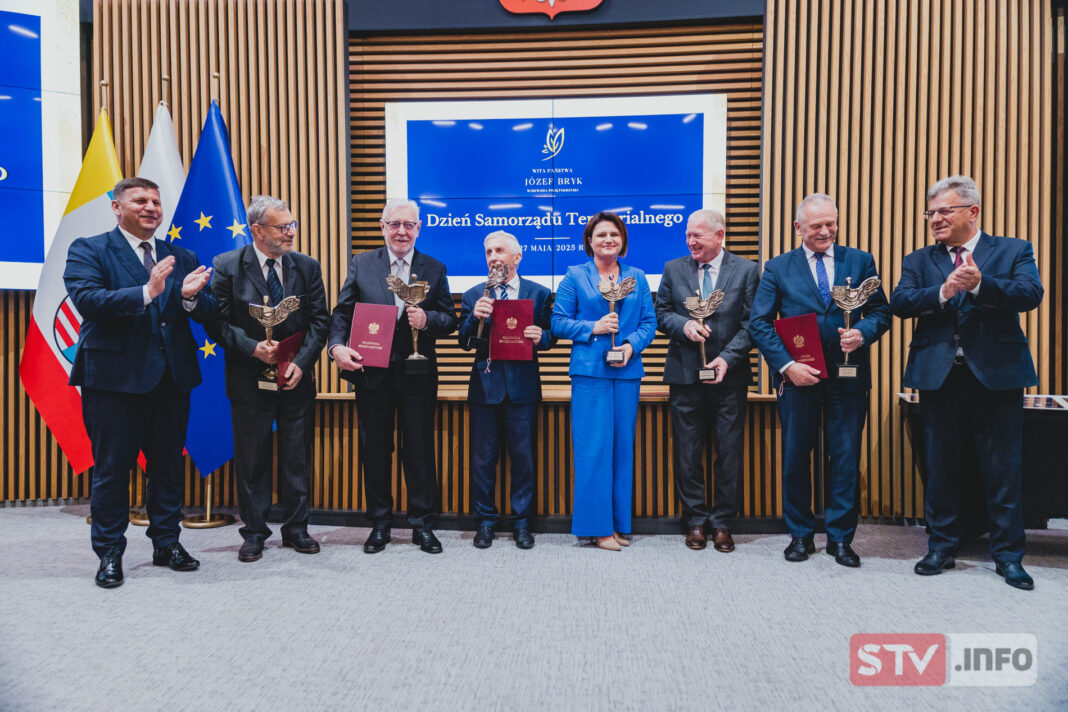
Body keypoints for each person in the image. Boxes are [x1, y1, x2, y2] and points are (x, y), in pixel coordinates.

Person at [890, 175, 1043, 590]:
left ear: (972, 212)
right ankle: (941, 548)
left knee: (1003, 470)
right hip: (939, 377)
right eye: (931, 213)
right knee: (941, 468)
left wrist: (981, 286)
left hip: (997, 376)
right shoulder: (920, 259)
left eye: (944, 211)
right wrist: (941, 292)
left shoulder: (1012, 249)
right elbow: (900, 302)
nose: (935, 219)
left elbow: (1031, 293)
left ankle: (1009, 556)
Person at [63, 177, 215, 588]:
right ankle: (110, 553)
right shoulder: (89, 249)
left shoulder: (179, 254)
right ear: (116, 207)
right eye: (140, 200)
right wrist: (148, 291)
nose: (151, 207)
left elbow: (208, 308)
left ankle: (167, 543)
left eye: (156, 201)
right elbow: (88, 301)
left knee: (168, 470)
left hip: (171, 381)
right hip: (114, 382)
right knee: (112, 471)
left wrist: (188, 297)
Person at [749, 193, 890, 567]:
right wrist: (784, 365)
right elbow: (759, 322)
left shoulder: (860, 261)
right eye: (817, 226)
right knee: (797, 457)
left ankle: (841, 539)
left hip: (849, 376)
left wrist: (862, 333)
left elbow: (881, 312)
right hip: (798, 379)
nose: (826, 231)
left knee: (845, 457)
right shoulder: (778, 267)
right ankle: (800, 535)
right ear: (798, 228)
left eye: (832, 223)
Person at [327, 199, 457, 554]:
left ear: (419, 228)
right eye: (395, 224)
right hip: (372, 374)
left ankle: (422, 525)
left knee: (418, 450)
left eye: (409, 225)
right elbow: (341, 314)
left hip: (418, 374)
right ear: (383, 227)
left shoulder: (435, 268)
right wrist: (336, 348)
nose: (402, 231)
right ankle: (380, 524)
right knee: (376, 450)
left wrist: (429, 320)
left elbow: (450, 319)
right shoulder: (362, 263)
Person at [210, 196, 329, 562]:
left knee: (296, 457)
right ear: (257, 230)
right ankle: (255, 532)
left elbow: (320, 321)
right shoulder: (228, 265)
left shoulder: (307, 267)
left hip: (295, 378)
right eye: (282, 227)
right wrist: (251, 348)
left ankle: (296, 529)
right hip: (249, 379)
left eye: (292, 225)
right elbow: (216, 322)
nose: (290, 233)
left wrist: (303, 363)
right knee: (252, 458)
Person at [551, 212, 657, 551]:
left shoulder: (637, 278)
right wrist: (592, 328)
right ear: (589, 241)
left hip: (627, 372)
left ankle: (618, 523)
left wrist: (630, 346)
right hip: (590, 374)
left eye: (614, 234)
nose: (608, 239)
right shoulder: (574, 276)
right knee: (593, 451)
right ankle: (597, 529)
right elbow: (557, 322)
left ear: (622, 240)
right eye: (601, 235)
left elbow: (649, 323)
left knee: (622, 450)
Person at [655, 209, 760, 552]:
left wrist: (727, 359)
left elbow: (753, 323)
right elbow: (661, 312)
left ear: (720, 236)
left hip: (730, 378)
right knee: (688, 451)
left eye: (698, 235)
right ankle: (695, 521)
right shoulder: (673, 268)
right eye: (688, 235)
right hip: (685, 374)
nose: (691, 241)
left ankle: (723, 522)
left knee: (728, 452)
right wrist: (683, 326)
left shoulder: (746, 270)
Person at [458, 230, 554, 549]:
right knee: (483, 460)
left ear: (517, 257)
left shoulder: (538, 293)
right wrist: (475, 319)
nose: (493, 257)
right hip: (486, 388)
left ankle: (521, 523)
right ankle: (485, 522)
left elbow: (552, 336)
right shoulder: (474, 295)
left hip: (523, 389)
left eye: (499, 250)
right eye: (488, 252)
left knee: (523, 459)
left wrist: (542, 337)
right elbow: (463, 343)